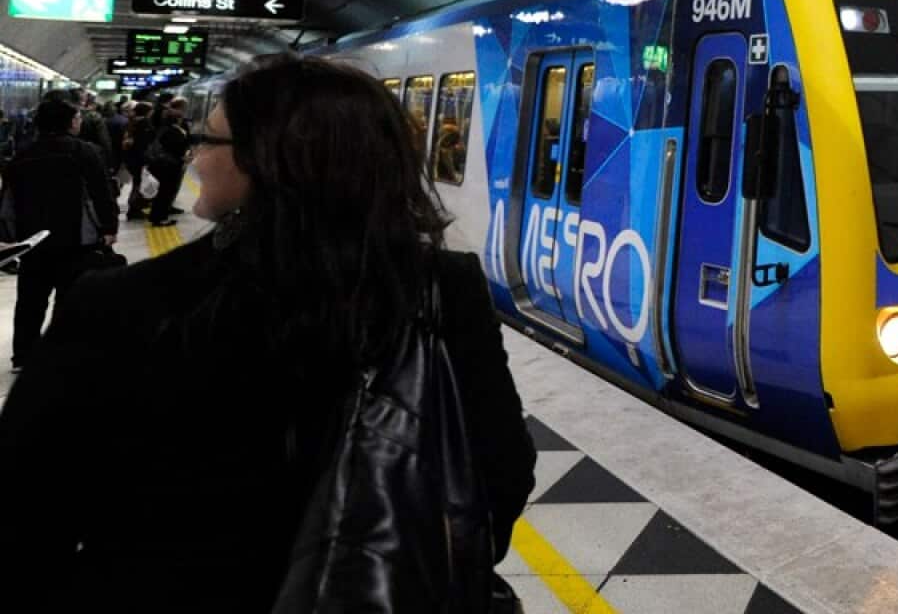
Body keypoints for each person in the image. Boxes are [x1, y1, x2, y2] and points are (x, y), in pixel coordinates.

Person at [0, 55, 536, 612]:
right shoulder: (442, 292)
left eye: (209, 142)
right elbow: (500, 470)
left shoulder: (121, 303)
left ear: (268, 161)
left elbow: (25, 504)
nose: (195, 157)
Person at [0, 99, 119, 371]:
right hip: (75, 238)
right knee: (69, 298)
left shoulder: (23, 154)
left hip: (33, 241)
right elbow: (102, 193)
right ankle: (58, 353)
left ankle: (23, 356)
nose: (79, 122)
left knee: (30, 300)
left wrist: (9, 237)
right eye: (76, 118)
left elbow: (8, 201)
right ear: (68, 122)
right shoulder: (85, 151)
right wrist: (109, 227)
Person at [146, 97, 190, 226]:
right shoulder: (171, 127)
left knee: (164, 191)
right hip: (169, 164)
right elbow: (174, 145)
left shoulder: (165, 122)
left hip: (165, 162)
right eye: (183, 109)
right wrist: (183, 155)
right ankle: (159, 218)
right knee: (166, 191)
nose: (184, 113)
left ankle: (158, 216)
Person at [122, 101, 155, 220]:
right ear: (146, 111)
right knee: (138, 184)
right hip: (139, 159)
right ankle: (134, 210)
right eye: (151, 110)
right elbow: (142, 144)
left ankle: (134, 208)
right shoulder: (144, 123)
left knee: (137, 183)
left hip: (131, 158)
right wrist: (146, 161)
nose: (152, 112)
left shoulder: (132, 121)